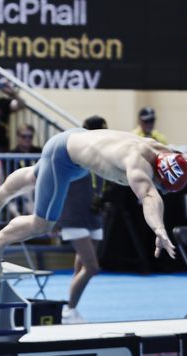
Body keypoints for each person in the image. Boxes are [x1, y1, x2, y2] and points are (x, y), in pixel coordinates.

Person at [0, 128, 187, 278]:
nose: (166, 192)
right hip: (65, 154)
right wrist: (159, 229)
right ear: (157, 173)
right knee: (43, 222)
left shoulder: (176, 159)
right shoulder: (138, 165)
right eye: (164, 186)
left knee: (35, 175)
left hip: (77, 144)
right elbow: (149, 197)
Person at [56, 115, 108, 324]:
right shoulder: (73, 151)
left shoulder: (104, 153)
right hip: (74, 216)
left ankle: (72, 309)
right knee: (92, 267)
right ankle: (68, 310)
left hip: (94, 215)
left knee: (81, 269)